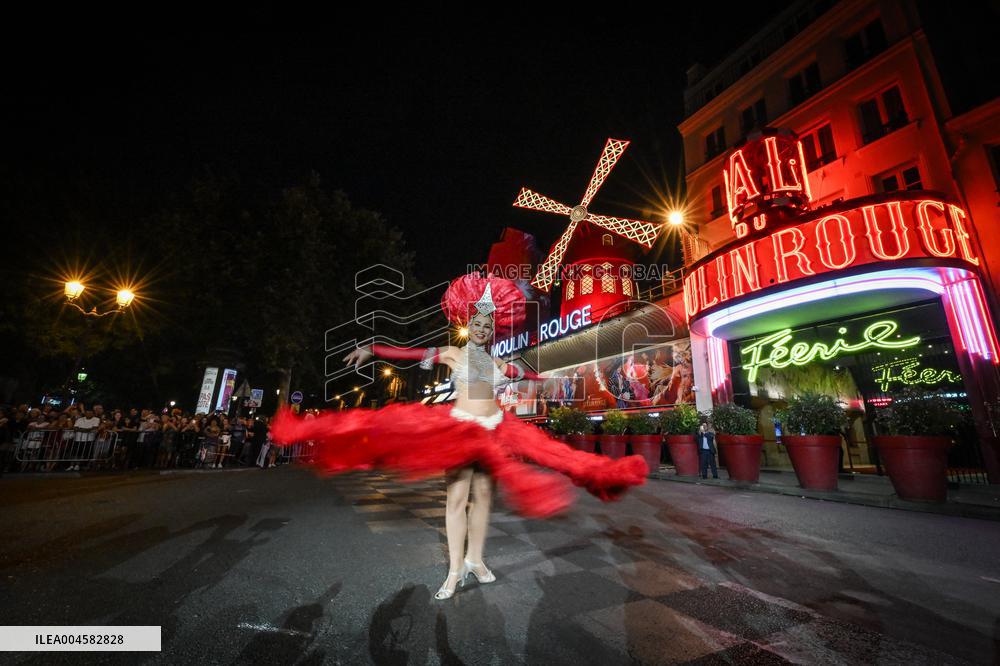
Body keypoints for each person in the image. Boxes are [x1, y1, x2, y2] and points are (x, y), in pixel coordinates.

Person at [271, 274, 648, 601]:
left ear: (494, 328)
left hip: (495, 430)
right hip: (459, 429)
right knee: (456, 499)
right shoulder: (452, 353)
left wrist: (546, 379)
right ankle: (454, 570)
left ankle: (476, 560)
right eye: (477, 324)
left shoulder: (501, 362)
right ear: (469, 324)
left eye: (488, 325)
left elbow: (525, 375)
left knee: (484, 497)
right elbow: (408, 353)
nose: (482, 330)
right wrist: (372, 349)